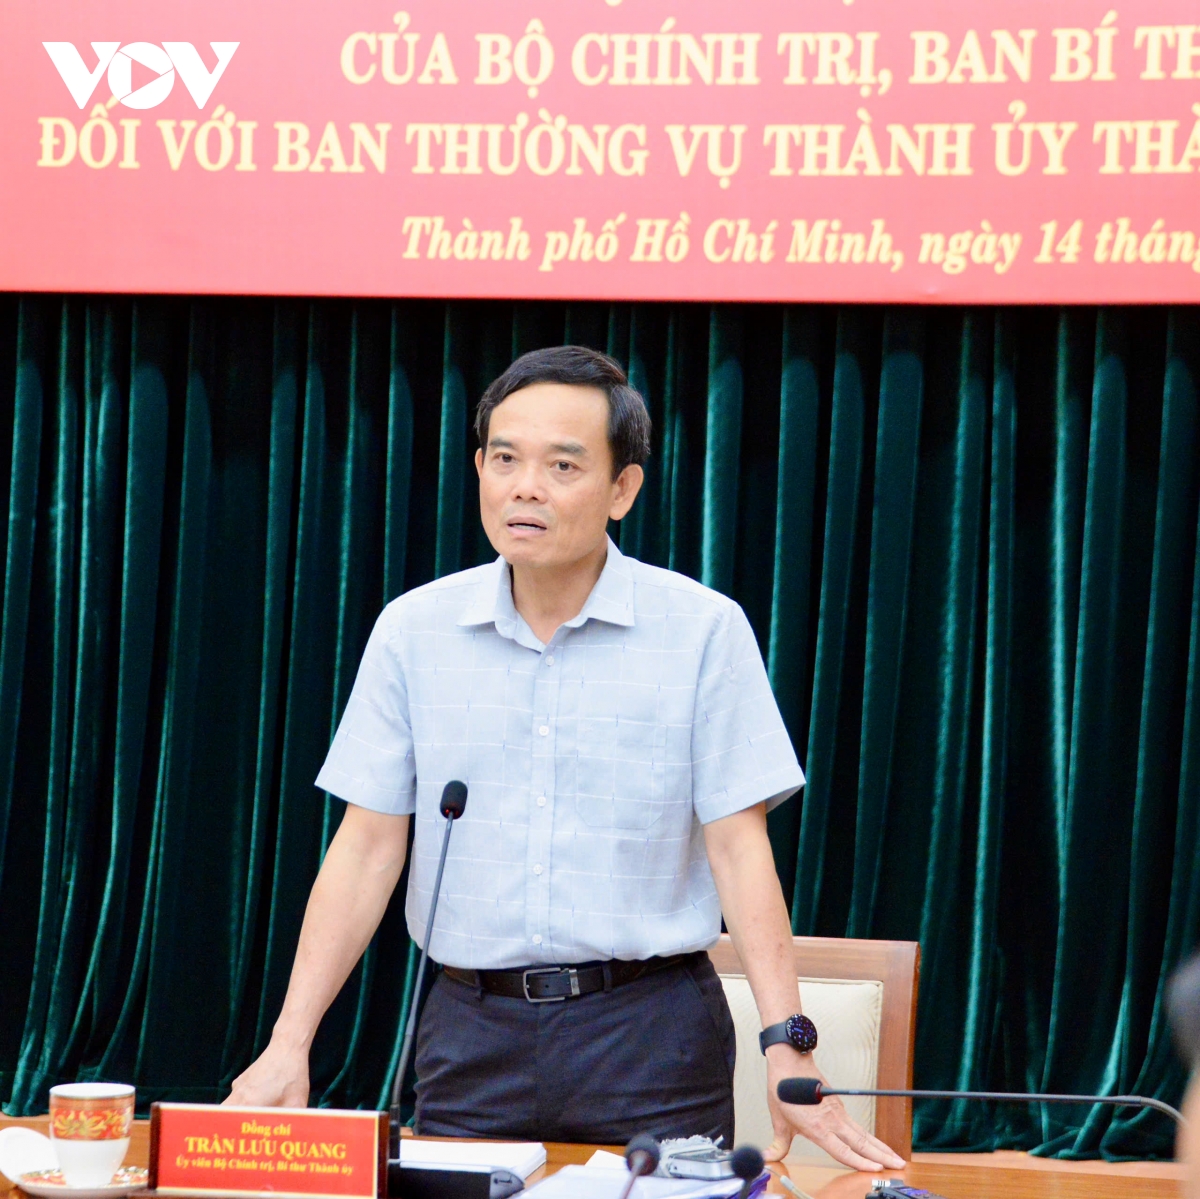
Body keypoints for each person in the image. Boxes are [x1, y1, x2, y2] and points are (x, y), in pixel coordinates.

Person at [225, 346, 904, 1171]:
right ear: (479, 468)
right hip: (470, 1032)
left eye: (563, 465)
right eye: (505, 459)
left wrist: (786, 1041)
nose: (526, 487)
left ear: (623, 489)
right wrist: (290, 1040)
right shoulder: (412, 631)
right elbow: (367, 846)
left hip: (650, 1035)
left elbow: (739, 847)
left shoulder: (702, 630)